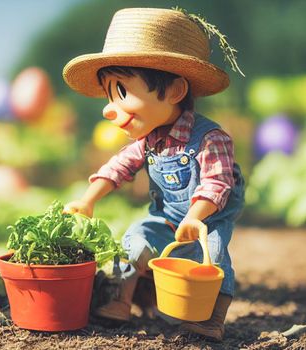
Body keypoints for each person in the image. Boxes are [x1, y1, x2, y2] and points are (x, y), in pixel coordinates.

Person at [63, 7, 245, 341]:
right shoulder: (149, 141)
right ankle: (123, 298)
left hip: (207, 221)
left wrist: (196, 216)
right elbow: (118, 168)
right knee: (135, 237)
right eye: (109, 95)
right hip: (166, 217)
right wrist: (89, 199)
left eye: (121, 93)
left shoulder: (210, 138)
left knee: (215, 259)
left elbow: (217, 182)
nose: (109, 109)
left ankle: (211, 318)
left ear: (175, 91)